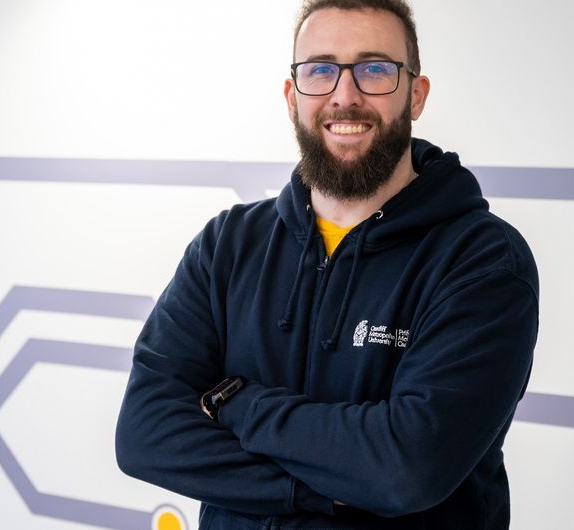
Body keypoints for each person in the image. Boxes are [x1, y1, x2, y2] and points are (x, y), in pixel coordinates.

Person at [115, 1, 539, 528]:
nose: (345, 94)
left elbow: (407, 469)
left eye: (375, 69)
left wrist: (236, 402)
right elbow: (145, 434)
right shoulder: (228, 244)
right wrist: (315, 492)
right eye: (320, 70)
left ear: (416, 93)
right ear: (293, 97)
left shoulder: (481, 261)